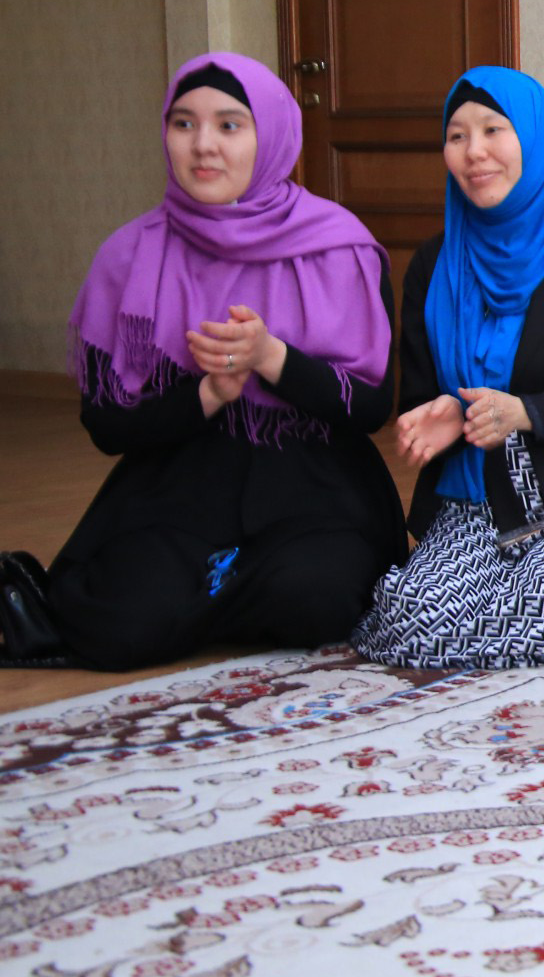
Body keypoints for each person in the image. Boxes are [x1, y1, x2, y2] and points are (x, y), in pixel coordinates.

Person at [42, 53, 404, 669]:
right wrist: (207, 394)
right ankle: (222, 588)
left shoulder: (339, 246)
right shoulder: (129, 256)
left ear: (271, 136)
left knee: (317, 597)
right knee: (120, 625)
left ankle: (208, 593)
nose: (203, 145)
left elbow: (369, 409)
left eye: (229, 125)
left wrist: (271, 357)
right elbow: (106, 426)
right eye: (183, 124)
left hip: (313, 487)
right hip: (178, 490)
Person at [350, 69, 544, 671]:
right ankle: (494, 626)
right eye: (457, 136)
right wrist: (448, 413)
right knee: (409, 613)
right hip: (474, 507)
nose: (474, 152)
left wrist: (526, 413)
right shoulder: (433, 265)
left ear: (535, 137)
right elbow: (420, 398)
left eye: (493, 130)